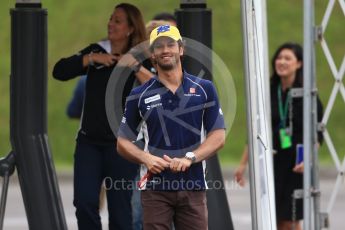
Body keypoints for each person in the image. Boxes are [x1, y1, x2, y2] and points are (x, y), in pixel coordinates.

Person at [53, 3, 153, 230]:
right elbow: (59, 71)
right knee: (85, 203)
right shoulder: (97, 49)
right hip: (89, 143)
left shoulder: (140, 57)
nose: (110, 23)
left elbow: (159, 88)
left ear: (129, 28)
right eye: (110, 19)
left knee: (120, 211)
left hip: (123, 147)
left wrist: (135, 67)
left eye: (117, 21)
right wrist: (91, 59)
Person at [117, 25, 226, 230]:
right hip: (155, 189)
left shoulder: (205, 89)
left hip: (193, 186)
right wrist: (146, 158)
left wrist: (190, 158)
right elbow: (122, 143)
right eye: (159, 46)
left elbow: (218, 136)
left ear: (181, 49)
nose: (165, 50)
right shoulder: (139, 95)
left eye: (170, 44)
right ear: (152, 55)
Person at [234, 42, 323, 230]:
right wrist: (243, 164)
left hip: (296, 165)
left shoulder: (308, 95)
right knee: (272, 217)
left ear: (299, 64)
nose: (281, 62)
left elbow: (317, 134)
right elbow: (255, 131)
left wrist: (308, 159)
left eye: (287, 58)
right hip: (270, 163)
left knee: (290, 218)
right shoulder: (267, 92)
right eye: (279, 58)